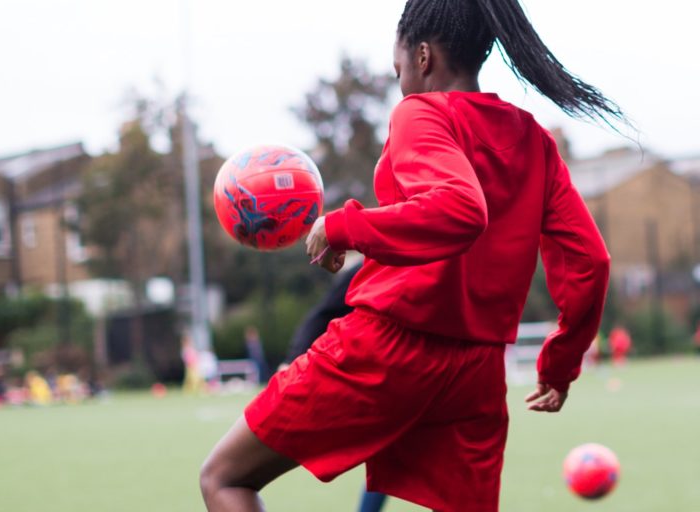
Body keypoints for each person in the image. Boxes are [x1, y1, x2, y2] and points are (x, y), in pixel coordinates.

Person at [200, 1, 618, 510]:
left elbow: (461, 209)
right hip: (478, 371)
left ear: (422, 56)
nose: (398, 80)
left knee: (224, 478)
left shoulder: (422, 112)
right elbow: (591, 262)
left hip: (388, 349)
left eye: (397, 68)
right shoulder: (534, 138)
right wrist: (560, 362)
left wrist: (343, 226)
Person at [281, 261, 389, 512]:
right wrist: (291, 360)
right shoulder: (370, 265)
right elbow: (323, 313)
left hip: (428, 378)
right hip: (385, 379)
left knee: (222, 476)